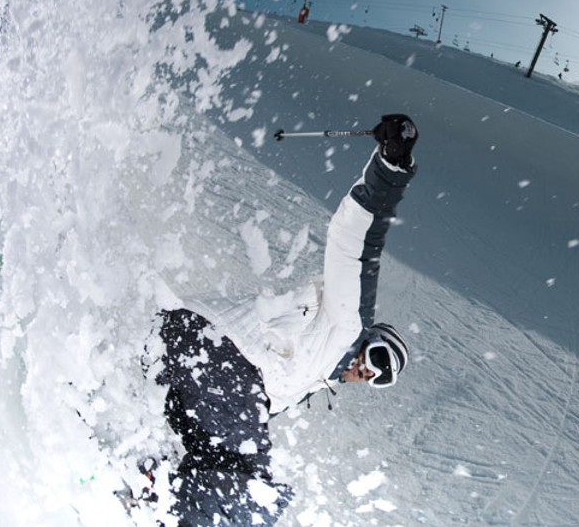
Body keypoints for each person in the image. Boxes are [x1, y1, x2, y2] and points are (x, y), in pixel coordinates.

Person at [155, 113, 419, 525]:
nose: (369, 370)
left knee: (184, 449)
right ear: (371, 338)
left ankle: (132, 478)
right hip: (222, 356)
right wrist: (390, 171)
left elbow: (251, 415)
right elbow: (357, 245)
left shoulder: (313, 378)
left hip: (191, 354)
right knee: (251, 492)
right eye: (379, 357)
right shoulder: (347, 323)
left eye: (380, 377)